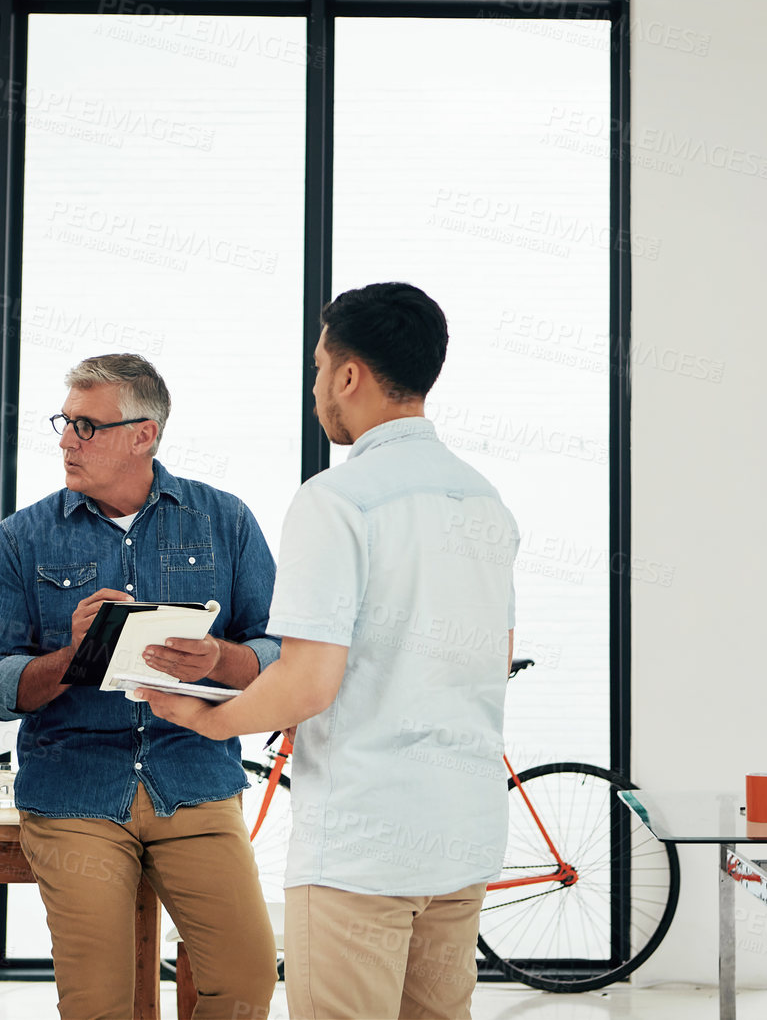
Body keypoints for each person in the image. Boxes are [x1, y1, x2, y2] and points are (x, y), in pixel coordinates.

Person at [141, 283, 520, 1020]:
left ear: (349, 376)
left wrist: (203, 717)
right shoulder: (484, 501)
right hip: (464, 833)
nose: (317, 387)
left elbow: (308, 683)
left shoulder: (336, 500)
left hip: (364, 844)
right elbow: (495, 654)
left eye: (320, 368)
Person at [0, 353, 278, 1020]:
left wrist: (218, 660)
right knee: (98, 1004)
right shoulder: (23, 537)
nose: (65, 441)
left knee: (249, 984)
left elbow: (276, 650)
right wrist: (72, 656)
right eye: (66, 422)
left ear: (145, 434)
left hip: (193, 779)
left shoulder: (225, 521)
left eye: (87, 426)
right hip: (75, 790)